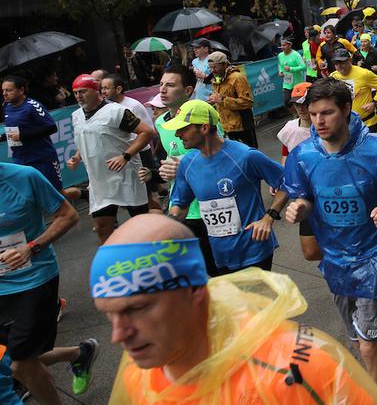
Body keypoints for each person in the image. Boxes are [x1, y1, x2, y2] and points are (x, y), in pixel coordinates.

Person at [90, 214, 377, 404]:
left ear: (194, 290)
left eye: (137, 308)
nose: (118, 335)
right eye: (109, 313)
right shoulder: (138, 375)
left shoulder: (299, 371)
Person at [284, 80, 377, 396]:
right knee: (359, 335)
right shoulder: (304, 156)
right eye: (313, 114)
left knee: (367, 349)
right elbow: (306, 197)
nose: (319, 122)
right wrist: (300, 207)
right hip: (336, 259)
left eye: (327, 113)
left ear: (347, 109)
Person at [0, 163, 98, 402]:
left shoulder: (24, 177)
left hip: (33, 281)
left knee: (21, 366)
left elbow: (68, 215)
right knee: (10, 359)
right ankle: (79, 353)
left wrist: (31, 248)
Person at [166, 100, 288, 276]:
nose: (178, 134)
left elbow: (287, 182)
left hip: (253, 249)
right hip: (218, 253)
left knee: (255, 303)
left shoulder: (246, 156)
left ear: (204, 128)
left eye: (184, 129)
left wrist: (269, 218)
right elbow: (181, 204)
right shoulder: (188, 163)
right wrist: (165, 229)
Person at [67, 74, 155, 243]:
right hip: (100, 180)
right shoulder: (76, 115)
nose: (78, 96)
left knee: (142, 224)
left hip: (126, 175)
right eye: (75, 92)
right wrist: (77, 157)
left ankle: (153, 255)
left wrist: (125, 156)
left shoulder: (116, 111)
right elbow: (85, 137)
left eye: (83, 92)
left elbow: (147, 132)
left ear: (96, 91)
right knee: (102, 227)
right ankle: (113, 263)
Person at [153, 64, 217, 274]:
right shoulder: (161, 122)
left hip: (210, 205)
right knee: (194, 271)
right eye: (161, 84)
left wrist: (184, 163)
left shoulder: (202, 114)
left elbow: (220, 154)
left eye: (170, 85)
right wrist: (164, 172)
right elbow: (169, 160)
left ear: (188, 90)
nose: (162, 90)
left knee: (217, 270)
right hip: (181, 208)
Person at [100, 73, 162, 211]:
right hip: (123, 156)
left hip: (141, 154)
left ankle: (160, 221)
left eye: (106, 88)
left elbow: (149, 131)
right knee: (131, 196)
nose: (103, 92)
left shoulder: (132, 106)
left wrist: (131, 147)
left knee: (147, 196)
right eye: (101, 88)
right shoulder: (107, 108)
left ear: (118, 89)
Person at [1, 75, 62, 192]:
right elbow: (14, 133)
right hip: (20, 161)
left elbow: (51, 128)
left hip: (42, 159)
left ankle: (82, 194)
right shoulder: (7, 107)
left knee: (56, 194)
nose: (4, 93)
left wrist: (22, 136)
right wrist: (2, 137)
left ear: (21, 90)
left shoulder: (32, 106)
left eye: (9, 90)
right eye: (3, 90)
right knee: (32, 196)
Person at [205, 51, 258, 148]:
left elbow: (248, 102)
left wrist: (222, 100)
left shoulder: (237, 77)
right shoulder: (215, 78)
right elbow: (220, 99)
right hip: (227, 127)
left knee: (251, 155)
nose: (213, 70)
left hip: (243, 126)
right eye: (210, 67)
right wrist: (214, 100)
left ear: (225, 64)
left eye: (215, 67)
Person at [330, 49, 377, 131]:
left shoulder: (364, 74)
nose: (339, 66)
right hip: (344, 125)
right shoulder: (333, 76)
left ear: (350, 60)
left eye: (342, 62)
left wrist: (374, 103)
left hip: (366, 124)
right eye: (336, 63)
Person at [278, 81, 313, 163]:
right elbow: (285, 156)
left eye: (304, 103)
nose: (301, 108)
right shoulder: (289, 128)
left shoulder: (325, 127)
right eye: (297, 104)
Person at [276, 36, 306, 107]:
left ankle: (300, 115)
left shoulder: (296, 55)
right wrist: (281, 72)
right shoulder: (280, 55)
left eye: (284, 45)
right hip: (287, 83)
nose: (282, 47)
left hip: (297, 82)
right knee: (286, 102)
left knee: (298, 102)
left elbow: (303, 67)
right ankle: (295, 115)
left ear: (290, 45)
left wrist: (291, 69)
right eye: (281, 45)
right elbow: (280, 65)